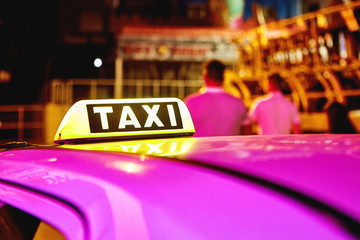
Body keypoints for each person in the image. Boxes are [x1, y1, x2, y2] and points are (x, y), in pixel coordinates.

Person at [184, 59, 248, 137]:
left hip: (199, 148)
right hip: (229, 149)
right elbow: (246, 132)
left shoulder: (191, 102)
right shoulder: (237, 103)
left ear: (204, 77)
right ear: (223, 78)